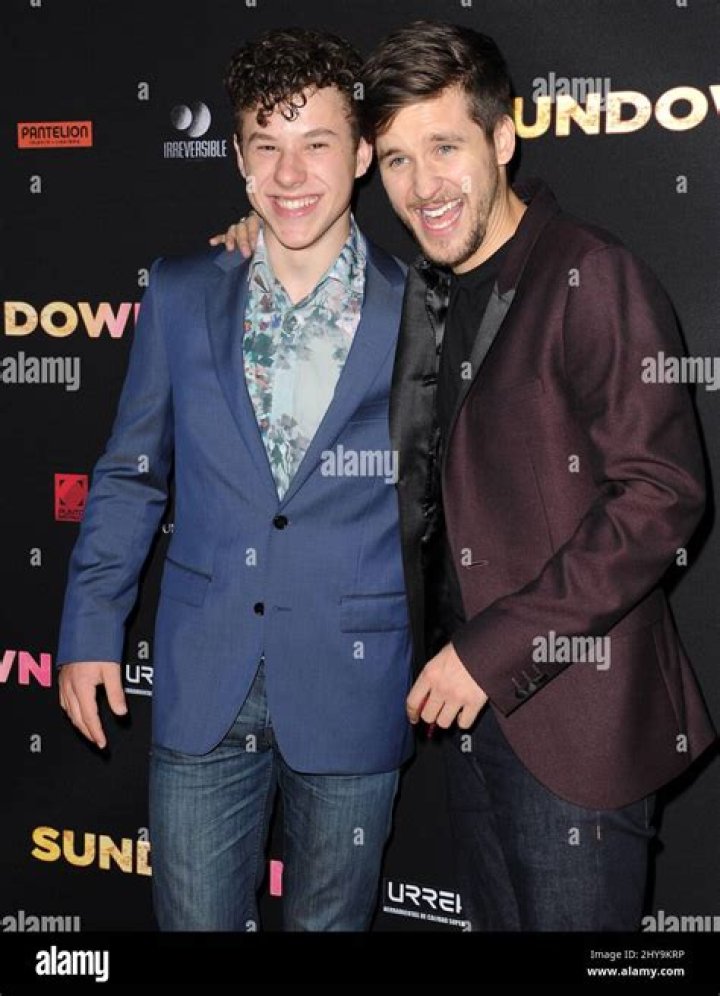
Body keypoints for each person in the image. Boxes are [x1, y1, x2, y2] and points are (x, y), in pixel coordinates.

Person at [222, 20, 715, 930]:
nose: (423, 186)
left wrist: (489, 654)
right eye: (398, 160)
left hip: (574, 728)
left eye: (445, 147)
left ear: (503, 138)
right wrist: (266, 235)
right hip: (470, 724)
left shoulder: (592, 274)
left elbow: (660, 497)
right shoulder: (427, 291)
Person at [55, 27, 414, 932]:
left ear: (362, 153)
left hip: (354, 678)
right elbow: (131, 476)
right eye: (267, 145)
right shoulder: (182, 290)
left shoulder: (425, 308)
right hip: (204, 674)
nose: (291, 174)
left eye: (317, 143)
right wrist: (90, 629)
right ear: (240, 160)